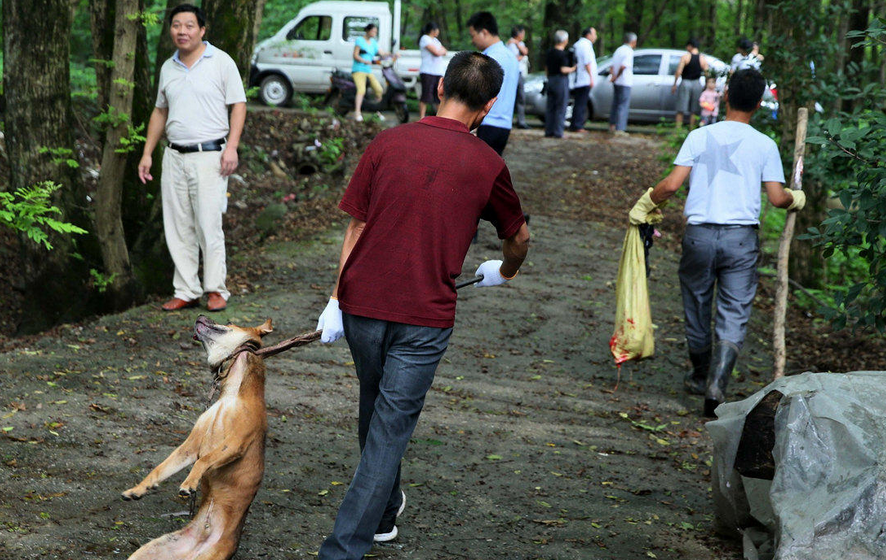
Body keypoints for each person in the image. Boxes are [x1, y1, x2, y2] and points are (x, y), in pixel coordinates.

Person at [314, 50, 530, 560]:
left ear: (438, 88)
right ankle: (342, 550)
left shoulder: (388, 141)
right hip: (423, 315)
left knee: (376, 406)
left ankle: (384, 515)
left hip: (362, 304)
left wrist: (336, 296)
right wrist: (506, 269)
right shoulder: (488, 162)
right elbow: (518, 236)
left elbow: (357, 225)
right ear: (491, 105)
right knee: (387, 425)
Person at [628, 69, 806, 417]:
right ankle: (716, 385)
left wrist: (647, 202)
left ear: (726, 96)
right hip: (741, 240)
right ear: (758, 103)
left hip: (700, 236)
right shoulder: (765, 145)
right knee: (734, 311)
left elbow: (672, 186)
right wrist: (794, 198)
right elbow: (775, 197)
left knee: (696, 303)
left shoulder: (698, 135)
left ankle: (698, 374)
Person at [138, 3, 246, 313]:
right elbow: (160, 111)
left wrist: (232, 147)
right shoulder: (168, 68)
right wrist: (147, 153)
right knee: (177, 223)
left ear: (202, 30)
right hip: (174, 155)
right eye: (176, 25)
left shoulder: (221, 62)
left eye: (188, 25)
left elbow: (238, 104)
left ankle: (215, 289)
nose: (181, 31)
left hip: (210, 154)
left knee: (208, 224)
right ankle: (186, 289)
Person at [467, 11, 520, 155]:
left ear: (484, 32)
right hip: (505, 125)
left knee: (477, 173)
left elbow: (480, 94)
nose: (472, 41)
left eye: (473, 36)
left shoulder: (488, 59)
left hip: (486, 124)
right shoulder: (512, 57)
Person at [352, 23, 393, 122]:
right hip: (359, 70)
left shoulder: (373, 42)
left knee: (379, 90)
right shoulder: (360, 41)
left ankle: (377, 111)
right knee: (361, 90)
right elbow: (355, 55)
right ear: (368, 31)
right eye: (374, 31)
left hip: (368, 71)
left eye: (376, 32)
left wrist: (393, 55)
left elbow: (382, 53)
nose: (375, 33)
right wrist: (364, 61)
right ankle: (357, 112)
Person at [544, 30, 577, 138]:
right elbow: (563, 69)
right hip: (560, 81)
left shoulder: (549, 52)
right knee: (560, 107)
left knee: (550, 107)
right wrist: (573, 68)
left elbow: (546, 68)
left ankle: (548, 131)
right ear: (565, 41)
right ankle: (558, 132)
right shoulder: (563, 54)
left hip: (551, 80)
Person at [671, 38, 709, 129]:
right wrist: (706, 86)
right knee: (694, 109)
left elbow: (678, 71)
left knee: (681, 108)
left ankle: (678, 129)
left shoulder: (685, 57)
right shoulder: (702, 58)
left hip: (685, 82)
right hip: (697, 83)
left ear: (690, 46)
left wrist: (675, 83)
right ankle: (692, 129)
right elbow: (707, 73)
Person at [569, 27, 598, 133]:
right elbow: (587, 62)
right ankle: (578, 125)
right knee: (581, 103)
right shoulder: (585, 45)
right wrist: (591, 77)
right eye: (594, 34)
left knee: (579, 102)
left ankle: (575, 124)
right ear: (588, 35)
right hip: (583, 78)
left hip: (579, 78)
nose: (595, 36)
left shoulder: (579, 44)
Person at [609, 32, 637, 135]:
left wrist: (613, 76)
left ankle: (612, 125)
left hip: (616, 82)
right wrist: (617, 76)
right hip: (624, 81)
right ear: (633, 41)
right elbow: (623, 66)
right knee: (623, 105)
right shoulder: (629, 51)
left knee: (615, 104)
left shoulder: (618, 50)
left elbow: (612, 66)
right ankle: (620, 128)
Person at [418, 22, 447, 119]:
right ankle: (422, 117)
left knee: (438, 96)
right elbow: (437, 52)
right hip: (428, 71)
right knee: (426, 95)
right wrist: (440, 51)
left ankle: (439, 117)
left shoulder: (436, 41)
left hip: (438, 71)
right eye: (437, 29)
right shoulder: (425, 38)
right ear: (432, 30)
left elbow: (444, 51)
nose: (438, 31)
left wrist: (440, 51)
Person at [507, 25, 530, 129]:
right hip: (513, 72)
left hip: (520, 72)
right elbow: (514, 58)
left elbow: (525, 52)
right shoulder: (510, 45)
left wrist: (517, 44)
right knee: (511, 96)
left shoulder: (518, 43)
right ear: (519, 33)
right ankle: (509, 120)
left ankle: (521, 121)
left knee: (521, 97)